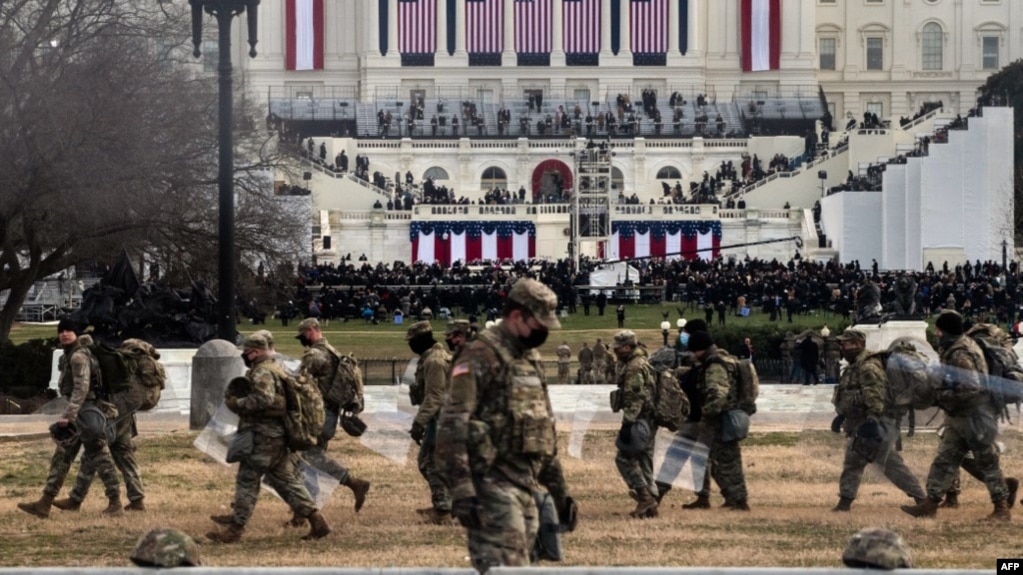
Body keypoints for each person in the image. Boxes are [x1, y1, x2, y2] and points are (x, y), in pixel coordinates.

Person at [435, 278, 577, 573]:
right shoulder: (479, 355)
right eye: (539, 323)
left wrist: (561, 495)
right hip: (491, 489)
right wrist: (462, 493)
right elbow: (452, 427)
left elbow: (543, 432)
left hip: (527, 488)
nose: (545, 332)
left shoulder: (530, 359)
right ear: (516, 316)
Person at [206, 333, 331, 543]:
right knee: (286, 482)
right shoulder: (276, 368)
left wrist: (237, 404)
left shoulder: (263, 371)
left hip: (263, 436)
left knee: (247, 479)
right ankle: (318, 522)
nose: (245, 356)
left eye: (246, 353)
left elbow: (264, 400)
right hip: (277, 436)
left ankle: (235, 529)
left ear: (254, 352)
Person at [901, 310, 1013, 521]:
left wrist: (940, 395)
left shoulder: (961, 352)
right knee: (944, 460)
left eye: (938, 329)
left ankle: (1001, 508)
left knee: (987, 462)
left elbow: (971, 387)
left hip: (975, 416)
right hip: (959, 417)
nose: (936, 333)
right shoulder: (953, 348)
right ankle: (930, 504)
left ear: (945, 331)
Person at [18, 319, 123, 518]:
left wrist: (69, 415)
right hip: (81, 413)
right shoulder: (72, 354)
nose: (65, 334)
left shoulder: (78, 357)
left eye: (69, 331)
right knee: (62, 456)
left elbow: (81, 388)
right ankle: (45, 503)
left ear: (76, 334)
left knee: (101, 458)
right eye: (61, 331)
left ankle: (115, 502)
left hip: (85, 413)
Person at [830, 329, 925, 512]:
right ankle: (921, 499)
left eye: (846, 343)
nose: (842, 347)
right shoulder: (855, 366)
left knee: (870, 462)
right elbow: (853, 394)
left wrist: (873, 421)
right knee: (874, 463)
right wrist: (841, 415)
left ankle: (845, 503)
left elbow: (874, 394)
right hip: (862, 422)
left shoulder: (868, 366)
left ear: (858, 344)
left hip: (873, 424)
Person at [288, 318, 371, 516]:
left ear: (310, 331)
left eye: (303, 336)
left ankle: (353, 483)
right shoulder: (333, 352)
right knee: (310, 461)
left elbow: (298, 384)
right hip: (330, 415)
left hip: (318, 415)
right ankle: (305, 511)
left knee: (306, 455)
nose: (302, 340)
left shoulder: (315, 355)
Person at [686, 330, 750, 510]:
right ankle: (732, 498)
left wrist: (707, 413)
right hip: (720, 419)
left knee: (728, 462)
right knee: (717, 461)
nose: (693, 355)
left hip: (721, 420)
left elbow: (718, 394)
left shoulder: (714, 365)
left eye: (694, 351)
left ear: (701, 349)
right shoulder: (711, 362)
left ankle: (739, 500)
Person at [406, 320, 454, 524]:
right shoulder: (432, 358)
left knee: (429, 462)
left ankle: (443, 512)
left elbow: (435, 395)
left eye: (411, 341)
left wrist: (419, 423)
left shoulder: (434, 361)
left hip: (442, 419)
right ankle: (448, 505)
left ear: (419, 341)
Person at [611, 330, 659, 518]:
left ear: (627, 347)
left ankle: (645, 497)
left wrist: (627, 424)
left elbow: (636, 396)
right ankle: (651, 504)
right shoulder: (640, 362)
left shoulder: (634, 366)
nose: (615, 351)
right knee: (645, 458)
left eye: (618, 347)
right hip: (648, 418)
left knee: (624, 457)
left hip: (639, 418)